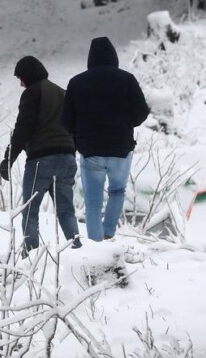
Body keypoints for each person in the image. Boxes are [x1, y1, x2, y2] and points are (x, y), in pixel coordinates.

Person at [62, 37, 151, 241]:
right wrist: (125, 124)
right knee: (118, 191)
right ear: (114, 57)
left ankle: (96, 245)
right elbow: (141, 113)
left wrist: (80, 134)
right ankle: (109, 232)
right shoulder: (127, 79)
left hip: (91, 151)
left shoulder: (76, 83)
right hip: (121, 150)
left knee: (93, 203)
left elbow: (66, 121)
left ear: (90, 59)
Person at [0, 56, 81, 253]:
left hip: (41, 161)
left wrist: (8, 159)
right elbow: (77, 126)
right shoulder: (64, 93)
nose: (20, 84)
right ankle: (79, 252)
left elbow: (23, 128)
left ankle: (33, 258)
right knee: (66, 211)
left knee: (30, 212)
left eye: (21, 78)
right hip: (67, 159)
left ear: (28, 75)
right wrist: (71, 149)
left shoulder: (32, 93)